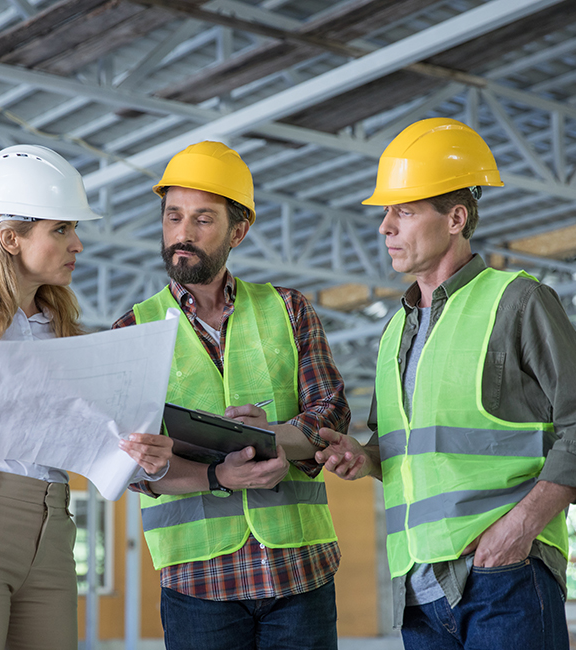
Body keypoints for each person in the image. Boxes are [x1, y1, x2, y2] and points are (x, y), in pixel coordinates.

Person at [316, 118, 576, 649]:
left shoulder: (517, 302)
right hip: (418, 591)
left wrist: (519, 529)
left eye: (404, 211)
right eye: (386, 213)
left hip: (503, 578)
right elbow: (410, 453)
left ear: (455, 218)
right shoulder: (395, 333)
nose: (385, 227)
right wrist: (364, 458)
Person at [0, 144, 173, 650]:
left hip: (55, 529)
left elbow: (92, 441)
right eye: (61, 229)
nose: (78, 244)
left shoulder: (62, 329)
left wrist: (145, 457)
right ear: (10, 238)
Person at [111, 141, 351, 650]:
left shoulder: (288, 309)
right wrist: (218, 476)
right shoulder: (133, 330)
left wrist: (273, 436)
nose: (183, 233)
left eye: (203, 220)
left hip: (298, 569)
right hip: (198, 582)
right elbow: (130, 465)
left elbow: (331, 413)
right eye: (173, 216)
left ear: (237, 232)